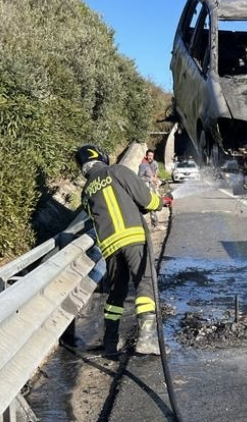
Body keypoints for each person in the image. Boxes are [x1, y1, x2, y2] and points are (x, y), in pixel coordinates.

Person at [75, 144, 168, 357]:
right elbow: (147, 199)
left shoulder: (86, 191)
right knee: (144, 283)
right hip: (134, 238)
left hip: (109, 248)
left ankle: (111, 341)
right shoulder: (117, 171)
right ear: (101, 157)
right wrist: (161, 202)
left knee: (116, 292)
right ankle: (146, 339)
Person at [139, 149, 162, 227]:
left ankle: (154, 224)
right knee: (148, 207)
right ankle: (151, 225)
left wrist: (156, 182)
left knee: (153, 206)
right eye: (149, 156)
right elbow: (139, 177)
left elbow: (155, 174)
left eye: (152, 156)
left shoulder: (154, 163)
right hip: (146, 189)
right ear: (146, 156)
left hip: (152, 187)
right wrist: (150, 179)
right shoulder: (143, 165)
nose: (150, 157)